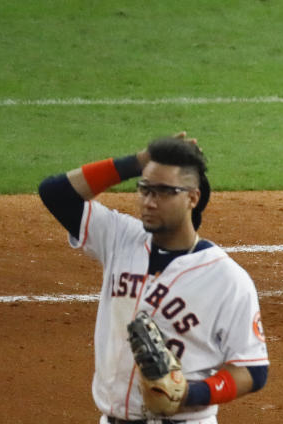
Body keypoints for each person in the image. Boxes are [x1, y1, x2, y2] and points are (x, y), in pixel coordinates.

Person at [38, 132, 269, 423]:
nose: (149, 201)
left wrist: (189, 395)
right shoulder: (120, 237)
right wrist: (138, 162)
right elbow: (56, 194)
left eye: (162, 192)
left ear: (192, 198)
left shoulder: (227, 279)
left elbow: (253, 370)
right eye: (145, 189)